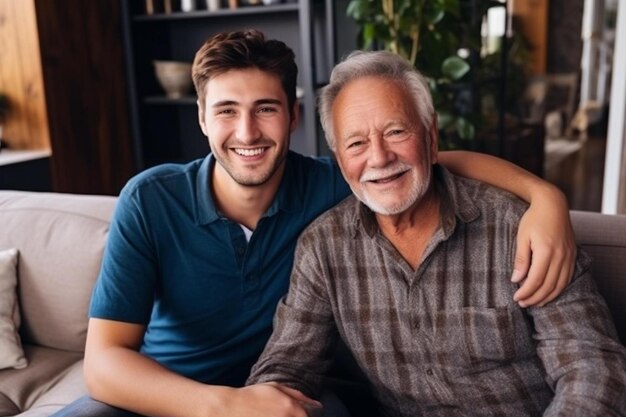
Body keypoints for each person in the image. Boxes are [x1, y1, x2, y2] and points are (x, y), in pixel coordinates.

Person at [54, 31, 576, 417]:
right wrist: (226, 407)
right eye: (227, 111)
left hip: (279, 391)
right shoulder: (151, 200)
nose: (247, 132)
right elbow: (103, 366)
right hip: (165, 393)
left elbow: (421, 160)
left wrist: (543, 196)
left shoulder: (337, 186)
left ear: (293, 115)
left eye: (265, 109)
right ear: (201, 118)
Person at [247, 50, 626, 416]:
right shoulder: (323, 247)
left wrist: (545, 195)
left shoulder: (517, 228)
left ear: (431, 138)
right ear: (340, 158)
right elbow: (288, 364)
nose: (378, 157)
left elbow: (593, 368)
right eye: (356, 143)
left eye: (396, 132)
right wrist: (265, 401)